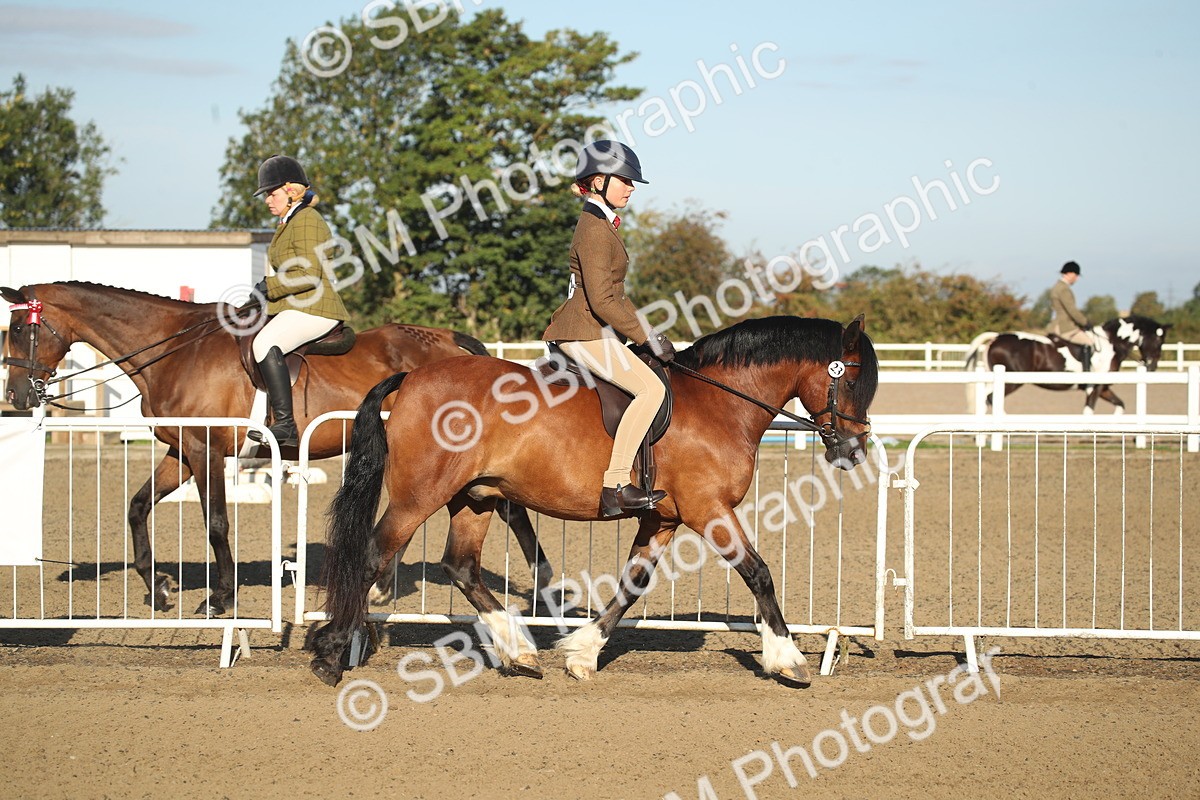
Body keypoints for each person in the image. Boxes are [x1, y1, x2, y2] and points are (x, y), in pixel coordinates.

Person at [542, 140, 675, 518]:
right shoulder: (595, 229)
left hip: (594, 329)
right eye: (625, 181)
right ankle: (615, 484)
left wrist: (648, 332)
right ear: (599, 181)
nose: (631, 188)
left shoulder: (602, 224)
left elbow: (617, 295)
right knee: (650, 390)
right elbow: (602, 301)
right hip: (583, 331)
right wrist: (646, 336)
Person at [246, 154, 349, 447]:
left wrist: (269, 287)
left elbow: (309, 274)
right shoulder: (289, 221)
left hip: (316, 306)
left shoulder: (306, 220)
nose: (267, 200)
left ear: (291, 191)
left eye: (272, 193)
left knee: (264, 343)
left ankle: (285, 426)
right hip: (296, 304)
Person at [1047, 260, 1094, 372]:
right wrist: (1085, 322)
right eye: (1076, 275)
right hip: (1065, 326)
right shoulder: (1063, 289)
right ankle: (1087, 375)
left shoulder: (1056, 286)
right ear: (1070, 273)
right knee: (1089, 342)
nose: (1076, 279)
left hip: (1056, 324)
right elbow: (1072, 310)